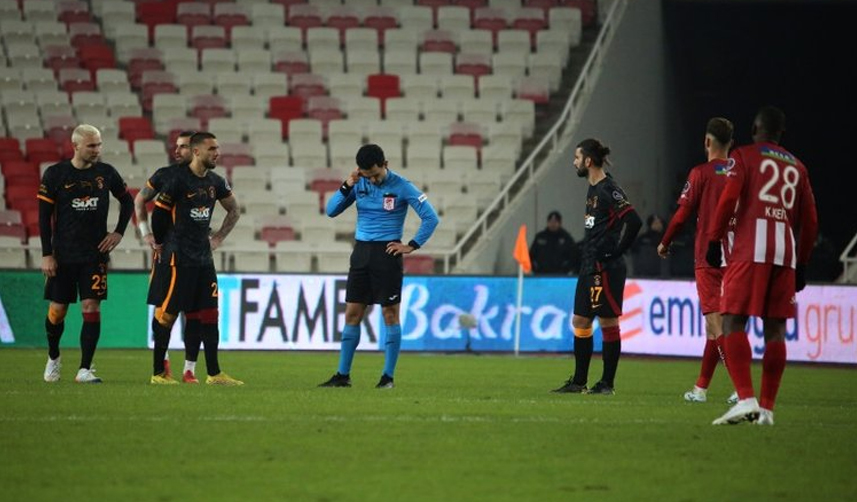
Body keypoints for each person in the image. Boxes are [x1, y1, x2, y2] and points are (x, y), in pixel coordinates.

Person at [706, 106, 818, 425]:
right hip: (785, 253)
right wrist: (803, 263)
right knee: (775, 330)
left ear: (756, 129)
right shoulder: (798, 167)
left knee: (733, 322)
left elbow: (728, 200)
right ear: (781, 133)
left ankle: (745, 399)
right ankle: (767, 409)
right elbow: (810, 221)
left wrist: (714, 240)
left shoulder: (743, 156)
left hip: (749, 249)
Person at [318, 144, 439, 389]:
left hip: (387, 253)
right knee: (353, 313)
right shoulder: (359, 183)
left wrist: (412, 245)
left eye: (375, 174)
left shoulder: (403, 186)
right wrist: (347, 185)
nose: (372, 179)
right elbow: (331, 211)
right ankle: (343, 375)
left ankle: (387, 378)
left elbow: (431, 217)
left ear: (386, 164)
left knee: (389, 314)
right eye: (366, 175)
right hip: (361, 253)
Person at [38, 124, 134, 383]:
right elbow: (44, 216)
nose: (97, 150)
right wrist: (47, 254)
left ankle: (84, 369)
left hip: (94, 256)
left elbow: (127, 201)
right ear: (76, 146)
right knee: (57, 312)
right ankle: (54, 355)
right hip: (63, 256)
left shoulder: (107, 173)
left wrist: (118, 232)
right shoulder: (55, 174)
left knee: (91, 307)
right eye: (92, 145)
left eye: (99, 144)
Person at [148, 132, 243, 386]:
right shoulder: (177, 180)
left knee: (210, 315)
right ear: (197, 151)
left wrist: (219, 237)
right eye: (212, 148)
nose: (217, 153)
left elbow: (234, 209)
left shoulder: (216, 181)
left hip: (203, 259)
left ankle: (214, 373)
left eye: (218, 148)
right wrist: (161, 242)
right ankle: (158, 373)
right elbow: (158, 215)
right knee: (167, 315)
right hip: (179, 258)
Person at [553, 138, 642, 395]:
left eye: (577, 158)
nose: (574, 162)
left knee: (607, 322)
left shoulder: (608, 189)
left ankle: (607, 384)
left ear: (588, 161)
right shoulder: (592, 188)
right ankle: (579, 382)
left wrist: (617, 251)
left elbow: (634, 221)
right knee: (580, 320)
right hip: (589, 265)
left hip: (606, 268)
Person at [658, 117, 737, 404]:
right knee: (716, 329)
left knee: (717, 327)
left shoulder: (700, 173)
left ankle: (742, 389)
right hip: (738, 258)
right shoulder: (743, 173)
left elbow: (681, 215)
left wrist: (665, 242)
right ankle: (701, 388)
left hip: (709, 257)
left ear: (707, 142)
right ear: (732, 143)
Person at [135, 130, 202, 383]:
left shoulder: (206, 179)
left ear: (195, 149)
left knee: (194, 312)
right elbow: (140, 200)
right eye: (177, 146)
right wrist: (146, 233)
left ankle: (189, 370)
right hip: (168, 254)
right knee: (165, 311)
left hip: (195, 256)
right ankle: (161, 364)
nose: (177, 151)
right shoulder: (165, 175)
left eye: (183, 147)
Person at [529, 210, 581, 275]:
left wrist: (565, 270)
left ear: (560, 223)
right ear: (547, 223)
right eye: (550, 221)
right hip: (541, 274)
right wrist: (535, 269)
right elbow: (531, 255)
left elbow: (574, 256)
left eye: (555, 222)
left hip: (560, 276)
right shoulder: (540, 237)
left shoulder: (566, 238)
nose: (553, 224)